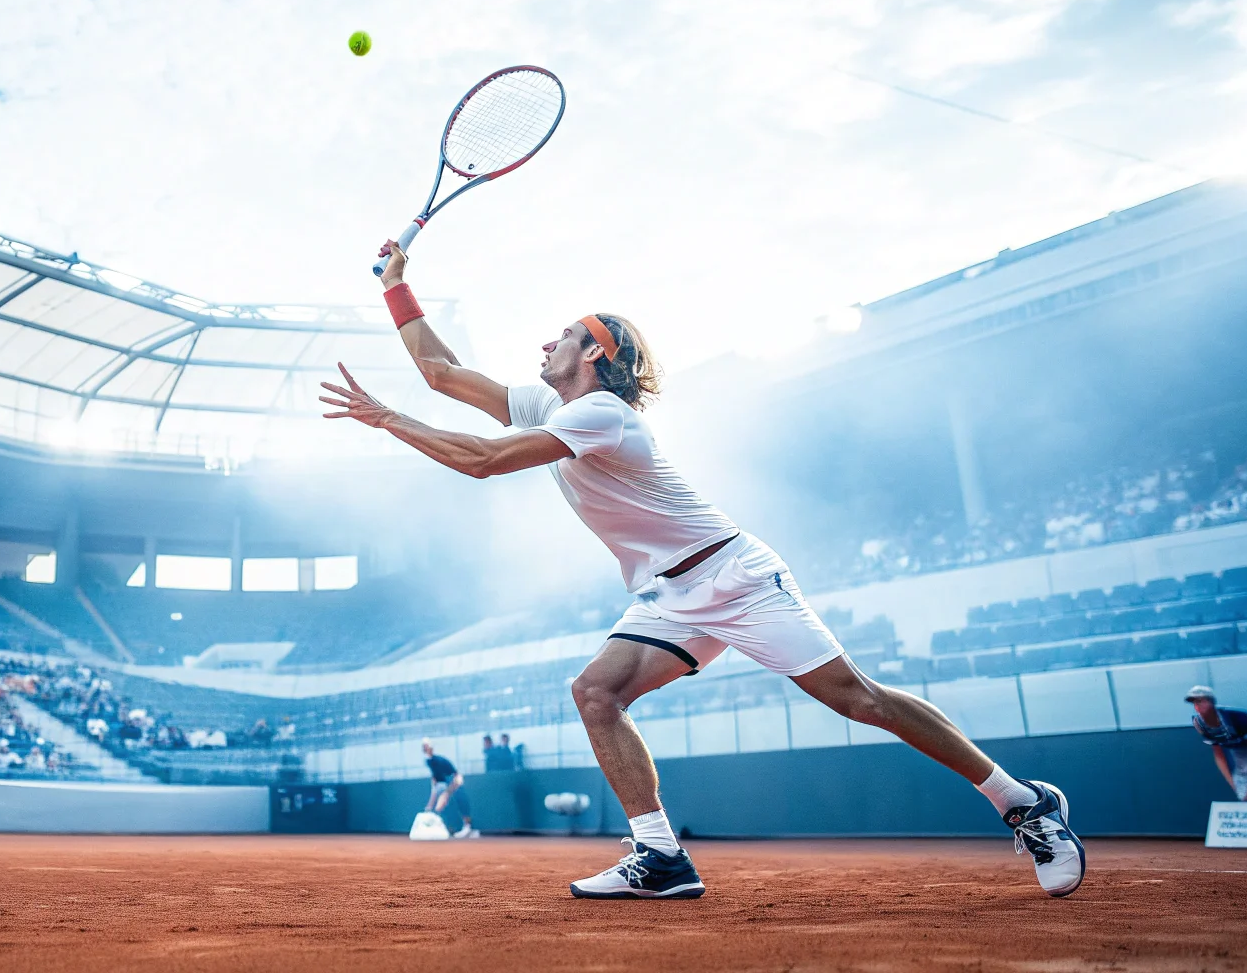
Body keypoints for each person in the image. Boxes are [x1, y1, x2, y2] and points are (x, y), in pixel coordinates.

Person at [321, 243, 1084, 899]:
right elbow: (441, 371)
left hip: (736, 577)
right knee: (596, 692)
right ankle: (660, 854)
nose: (544, 345)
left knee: (858, 699)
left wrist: (384, 419)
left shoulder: (600, 416)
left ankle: (1023, 803)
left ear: (596, 353)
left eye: (562, 336)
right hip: (674, 595)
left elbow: (483, 463)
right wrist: (395, 283)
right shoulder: (550, 405)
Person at [1188, 686, 1247, 802]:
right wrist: (1233, 783)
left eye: (1201, 701)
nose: (1197, 706)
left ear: (1211, 701)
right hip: (1240, 754)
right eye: (1194, 702)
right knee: (1244, 795)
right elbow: (1218, 755)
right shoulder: (1199, 722)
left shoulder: (1239, 717)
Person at [421, 739, 478, 839]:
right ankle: (451, 828)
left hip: (455, 779)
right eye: (424, 747)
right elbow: (435, 783)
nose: (426, 749)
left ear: (431, 748)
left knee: (458, 799)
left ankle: (468, 828)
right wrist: (430, 804)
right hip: (447, 782)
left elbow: (453, 776)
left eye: (427, 747)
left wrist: (446, 793)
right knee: (441, 805)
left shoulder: (437, 761)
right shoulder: (429, 762)